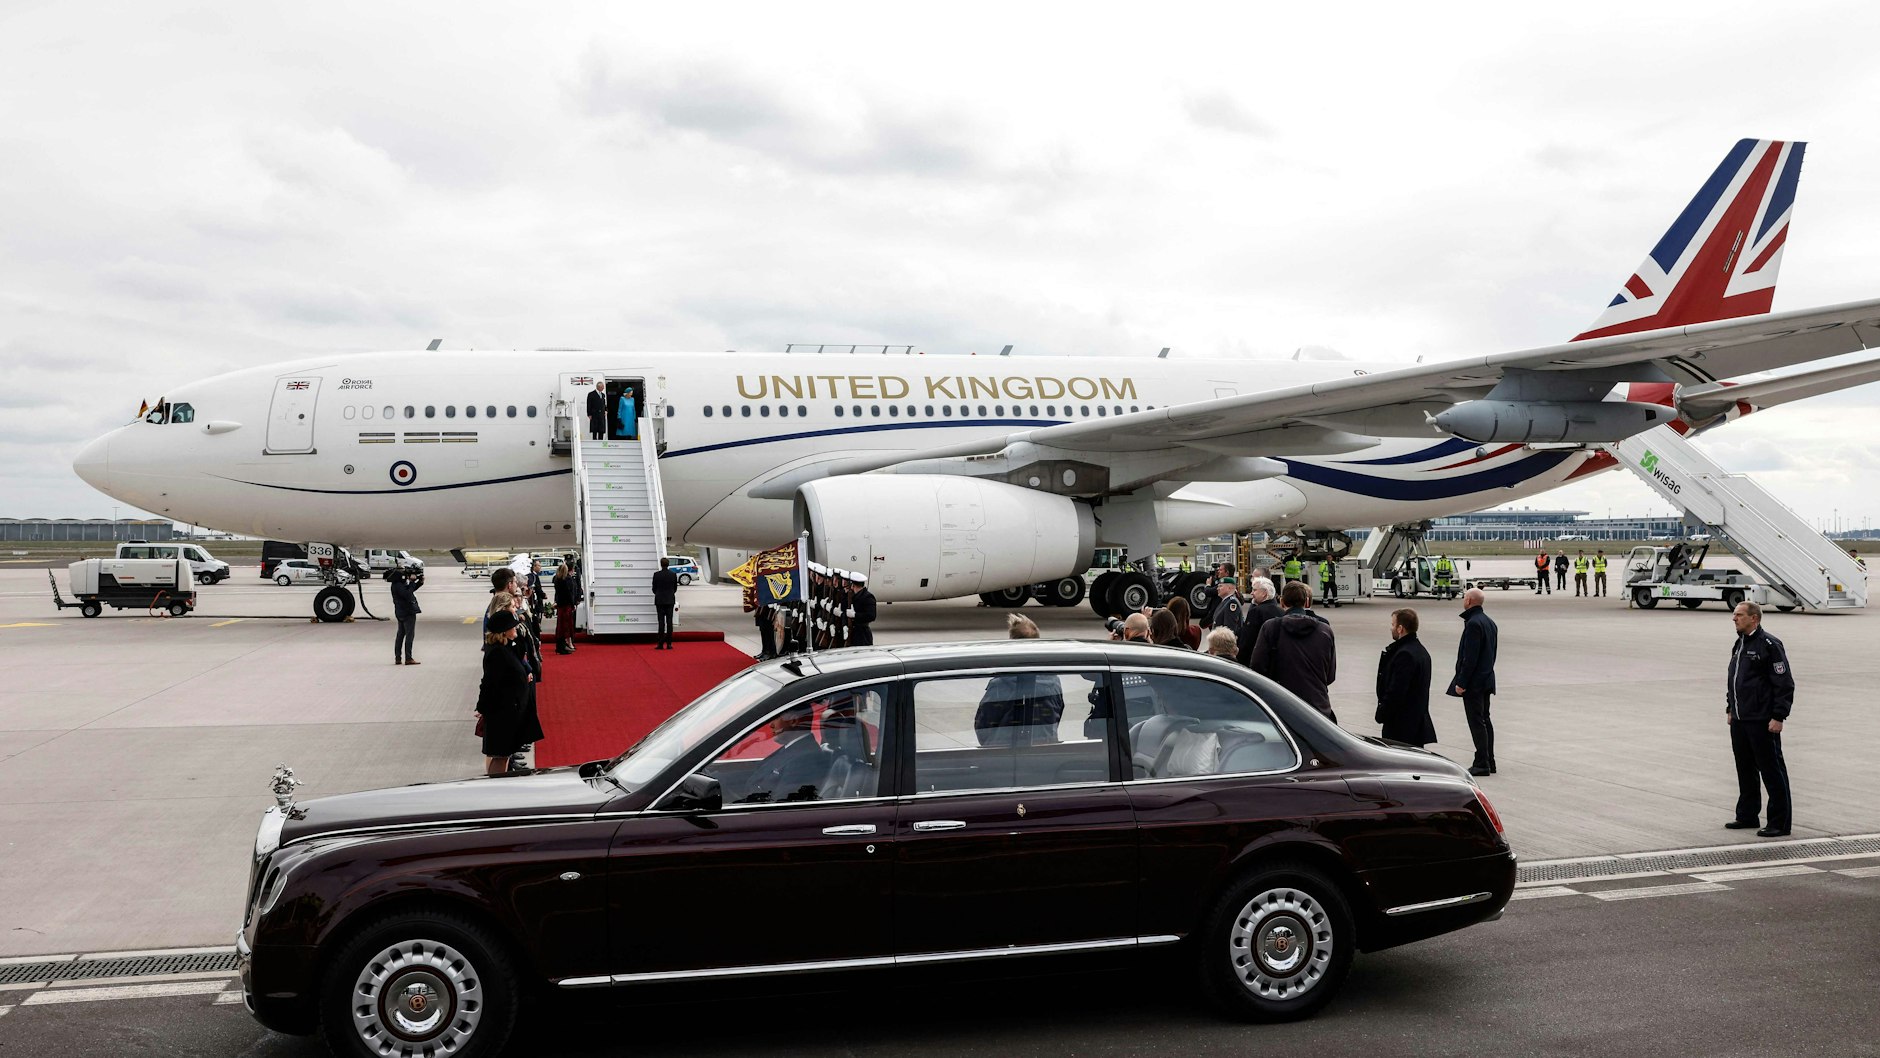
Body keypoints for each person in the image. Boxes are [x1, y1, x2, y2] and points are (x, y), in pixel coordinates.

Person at [1725, 601, 1795, 837]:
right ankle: (1747, 814)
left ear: (1754, 618)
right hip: (1740, 719)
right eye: (1734, 614)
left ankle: (1779, 822)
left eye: (1739, 615)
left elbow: (1784, 683)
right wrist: (1730, 707)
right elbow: (1734, 680)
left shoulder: (1769, 645)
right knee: (1745, 768)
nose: (1734, 618)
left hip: (1762, 720)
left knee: (1772, 771)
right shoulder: (1740, 643)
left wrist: (1778, 716)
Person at [1250, 581, 1338, 720]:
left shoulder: (1271, 628)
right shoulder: (1324, 630)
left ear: (1282, 602)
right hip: (1317, 707)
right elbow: (1330, 675)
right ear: (1306, 602)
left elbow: (1257, 667)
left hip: (1281, 705)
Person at [975, 614, 1066, 744]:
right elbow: (1056, 717)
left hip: (1003, 752)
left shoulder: (1000, 685)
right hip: (1044, 751)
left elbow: (983, 726)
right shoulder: (1053, 682)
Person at [1448, 588, 1500, 776]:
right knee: (1485, 720)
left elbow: (1470, 658)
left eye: (1464, 597)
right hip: (1487, 679)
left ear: (1469, 601)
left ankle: (1481, 763)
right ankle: (1489, 760)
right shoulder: (1489, 622)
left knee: (1477, 722)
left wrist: (1462, 682)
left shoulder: (1473, 624)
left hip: (1475, 683)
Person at [476, 609, 531, 776]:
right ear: (504, 631)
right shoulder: (497, 653)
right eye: (512, 627)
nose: (516, 629)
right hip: (500, 711)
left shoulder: (506, 647)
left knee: (504, 754)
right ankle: (496, 784)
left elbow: (521, 651)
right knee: (500, 755)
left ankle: (500, 782)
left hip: (508, 710)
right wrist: (482, 707)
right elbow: (489, 683)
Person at [1376, 608, 1436, 748]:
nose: (1391, 628)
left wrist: (1382, 712)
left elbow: (1396, 690)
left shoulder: (1405, 655)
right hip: (1415, 723)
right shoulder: (1421, 651)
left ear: (1400, 629)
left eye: (1393, 624)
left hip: (1401, 725)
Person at [1236, 576, 1284, 668]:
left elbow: (1247, 641)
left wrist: (1239, 660)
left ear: (1264, 593)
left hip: (1257, 661)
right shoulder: (1281, 612)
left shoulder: (1256, 612)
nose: (1251, 593)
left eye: (1254, 590)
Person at [390, 565, 422, 665]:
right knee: (409, 635)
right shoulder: (399, 585)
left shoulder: (396, 584)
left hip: (400, 612)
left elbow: (409, 590)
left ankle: (398, 657)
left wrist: (419, 583)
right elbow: (407, 594)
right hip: (407, 612)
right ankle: (408, 658)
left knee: (400, 635)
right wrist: (412, 581)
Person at [651, 557, 679, 650]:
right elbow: (675, 588)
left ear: (661, 564)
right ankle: (669, 644)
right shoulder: (673, 574)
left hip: (659, 601)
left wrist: (659, 594)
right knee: (669, 622)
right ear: (668, 564)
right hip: (670, 600)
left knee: (661, 623)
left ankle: (660, 644)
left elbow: (654, 588)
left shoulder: (656, 575)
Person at [552, 561, 578, 654]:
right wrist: (573, 604)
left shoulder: (557, 580)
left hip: (560, 605)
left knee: (560, 626)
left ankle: (560, 646)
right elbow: (570, 594)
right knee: (566, 626)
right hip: (566, 606)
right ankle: (563, 646)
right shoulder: (567, 580)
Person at [849, 577, 877, 646]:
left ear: (853, 585)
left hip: (863, 635)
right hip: (854, 632)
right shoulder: (854, 595)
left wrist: (855, 615)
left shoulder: (868, 597)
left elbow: (871, 616)